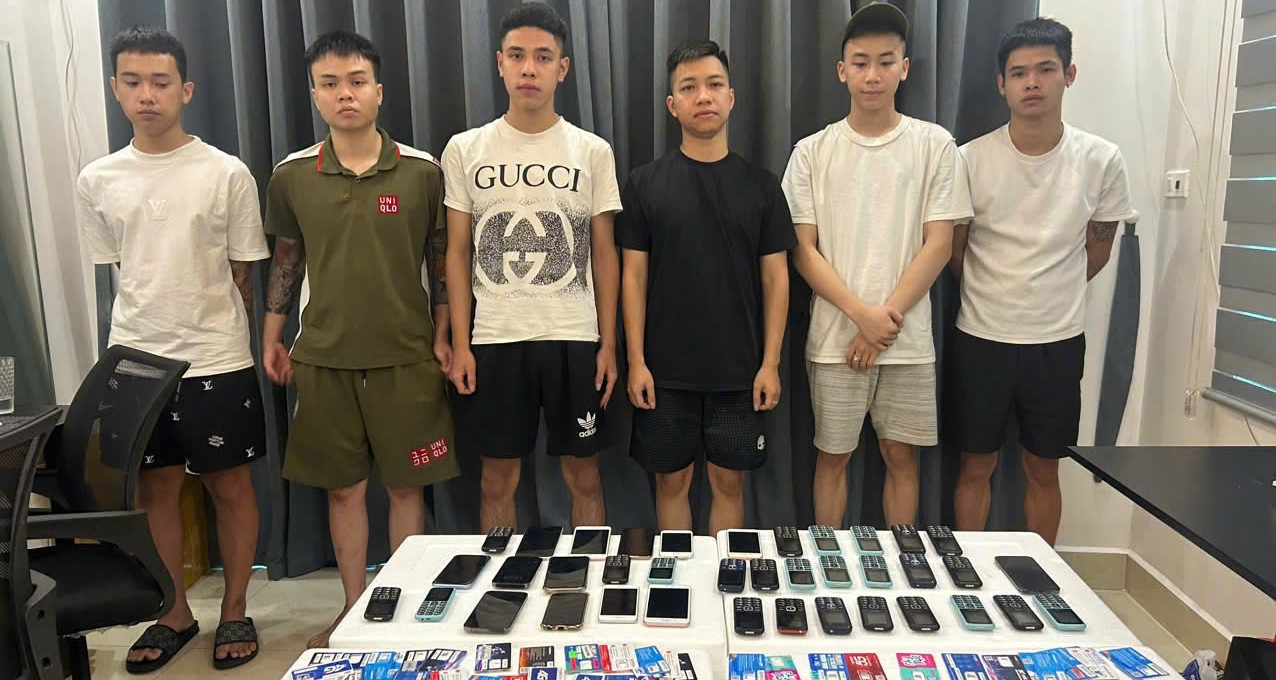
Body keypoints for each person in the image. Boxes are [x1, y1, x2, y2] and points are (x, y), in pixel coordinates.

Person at [76, 26, 267, 673]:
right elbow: (122, 268)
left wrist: (221, 334)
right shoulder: (98, 179)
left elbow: (243, 271)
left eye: (160, 82)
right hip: (135, 362)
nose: (146, 95)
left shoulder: (225, 172)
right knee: (153, 490)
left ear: (185, 89)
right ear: (115, 88)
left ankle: (236, 607)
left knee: (230, 487)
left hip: (216, 357)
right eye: (133, 82)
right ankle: (174, 612)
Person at [261, 30, 459, 648]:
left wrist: (446, 334)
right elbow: (287, 258)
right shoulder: (292, 175)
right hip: (323, 359)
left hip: (407, 357)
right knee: (343, 491)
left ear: (379, 91)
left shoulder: (423, 171)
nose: (344, 94)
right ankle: (352, 609)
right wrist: (273, 335)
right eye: (329, 83)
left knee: (406, 488)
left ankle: (405, 613)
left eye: (355, 81)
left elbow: (441, 262)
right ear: (314, 95)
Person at [783, 3, 972, 528]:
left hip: (906, 340)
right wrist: (861, 316)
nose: (873, 75)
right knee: (833, 457)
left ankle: (900, 565)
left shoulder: (935, 145)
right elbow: (802, 250)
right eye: (861, 62)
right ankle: (825, 561)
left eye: (886, 62)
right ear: (842, 70)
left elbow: (939, 244)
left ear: (904, 68)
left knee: (901, 458)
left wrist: (882, 321)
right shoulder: (811, 152)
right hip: (834, 339)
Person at [949, 18, 1134, 545]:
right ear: (1001, 84)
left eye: (1046, 69)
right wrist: (996, 290)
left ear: (1069, 74)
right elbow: (955, 252)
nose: (1032, 83)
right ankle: (969, 571)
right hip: (981, 336)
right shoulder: (969, 159)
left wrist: (1053, 290)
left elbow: (1099, 250)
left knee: (1043, 469)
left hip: (1057, 340)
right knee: (975, 466)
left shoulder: (1101, 159)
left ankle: (1044, 576)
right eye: (1019, 73)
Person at [443, 2, 621, 532]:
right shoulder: (465, 149)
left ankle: (591, 573)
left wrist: (608, 343)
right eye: (517, 55)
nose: (529, 68)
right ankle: (499, 578)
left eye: (543, 57)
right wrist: (461, 342)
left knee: (585, 475)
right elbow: (457, 252)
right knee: (497, 479)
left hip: (574, 335)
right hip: (495, 338)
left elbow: (604, 253)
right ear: (500, 62)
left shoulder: (592, 151)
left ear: (562, 68)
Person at [618, 40, 794, 533]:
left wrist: (770, 363)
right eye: (689, 87)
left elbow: (776, 278)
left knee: (729, 483)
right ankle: (678, 576)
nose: (703, 96)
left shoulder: (762, 186)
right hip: (664, 371)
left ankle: (724, 577)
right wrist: (637, 361)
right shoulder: (644, 184)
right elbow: (632, 277)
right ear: (672, 104)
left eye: (714, 85)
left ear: (731, 98)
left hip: (739, 371)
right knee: (670, 482)